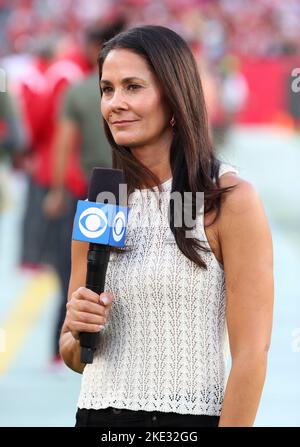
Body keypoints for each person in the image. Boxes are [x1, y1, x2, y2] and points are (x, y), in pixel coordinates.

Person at [59, 25, 274, 427]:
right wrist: (76, 328)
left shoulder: (228, 199)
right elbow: (75, 356)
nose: (115, 103)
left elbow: (252, 353)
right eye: (107, 89)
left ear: (174, 97)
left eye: (132, 87)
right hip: (96, 417)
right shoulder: (101, 203)